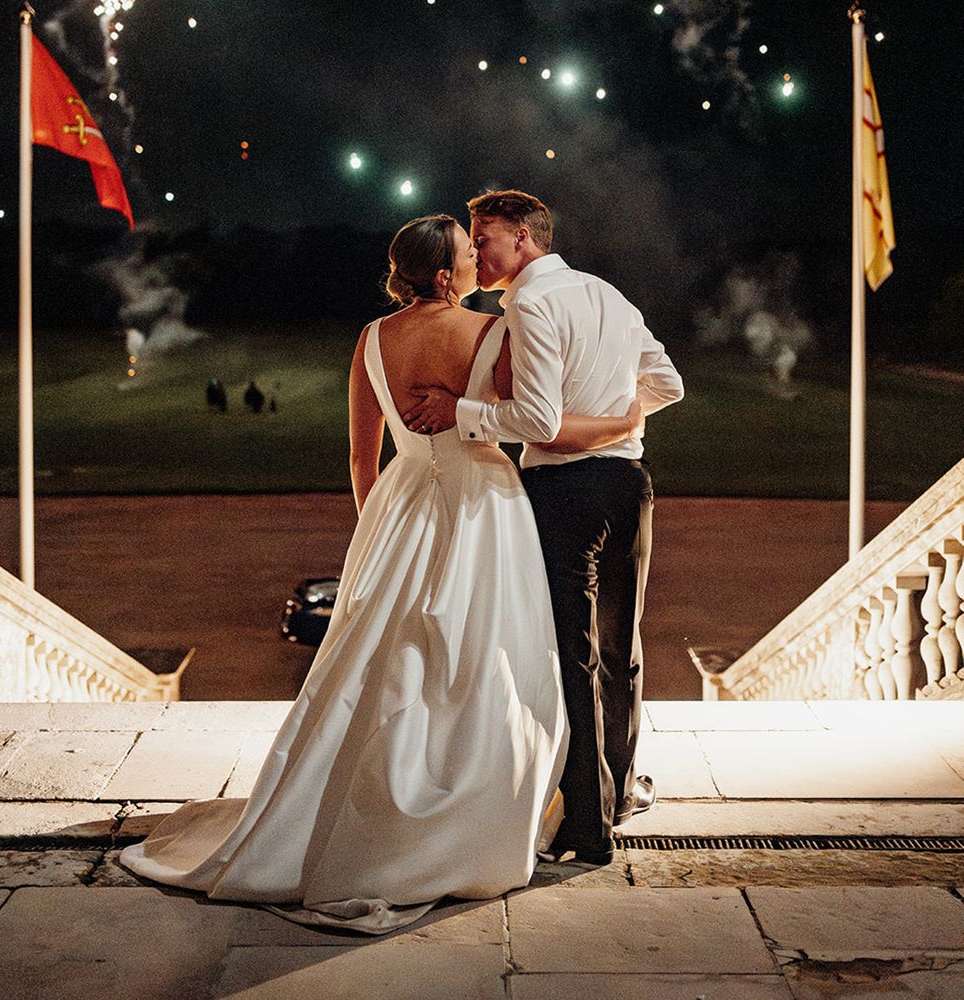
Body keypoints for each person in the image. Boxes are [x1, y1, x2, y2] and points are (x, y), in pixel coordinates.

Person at [120, 214, 641, 933]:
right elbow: (533, 422)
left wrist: (381, 533)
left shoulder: (371, 339)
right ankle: (471, 815)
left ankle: (360, 806)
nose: (475, 259)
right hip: (486, 506)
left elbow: (363, 461)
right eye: (465, 252)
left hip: (399, 504)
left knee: (385, 661)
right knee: (489, 661)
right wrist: (619, 423)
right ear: (441, 275)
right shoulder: (494, 331)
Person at [403, 191, 684, 865]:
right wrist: (620, 420)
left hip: (564, 493)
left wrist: (463, 411)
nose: (476, 251)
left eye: (485, 238)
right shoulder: (606, 295)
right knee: (622, 646)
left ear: (524, 240)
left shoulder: (528, 304)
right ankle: (617, 794)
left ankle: (587, 824)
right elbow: (668, 383)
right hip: (629, 487)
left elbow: (534, 421)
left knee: (572, 652)